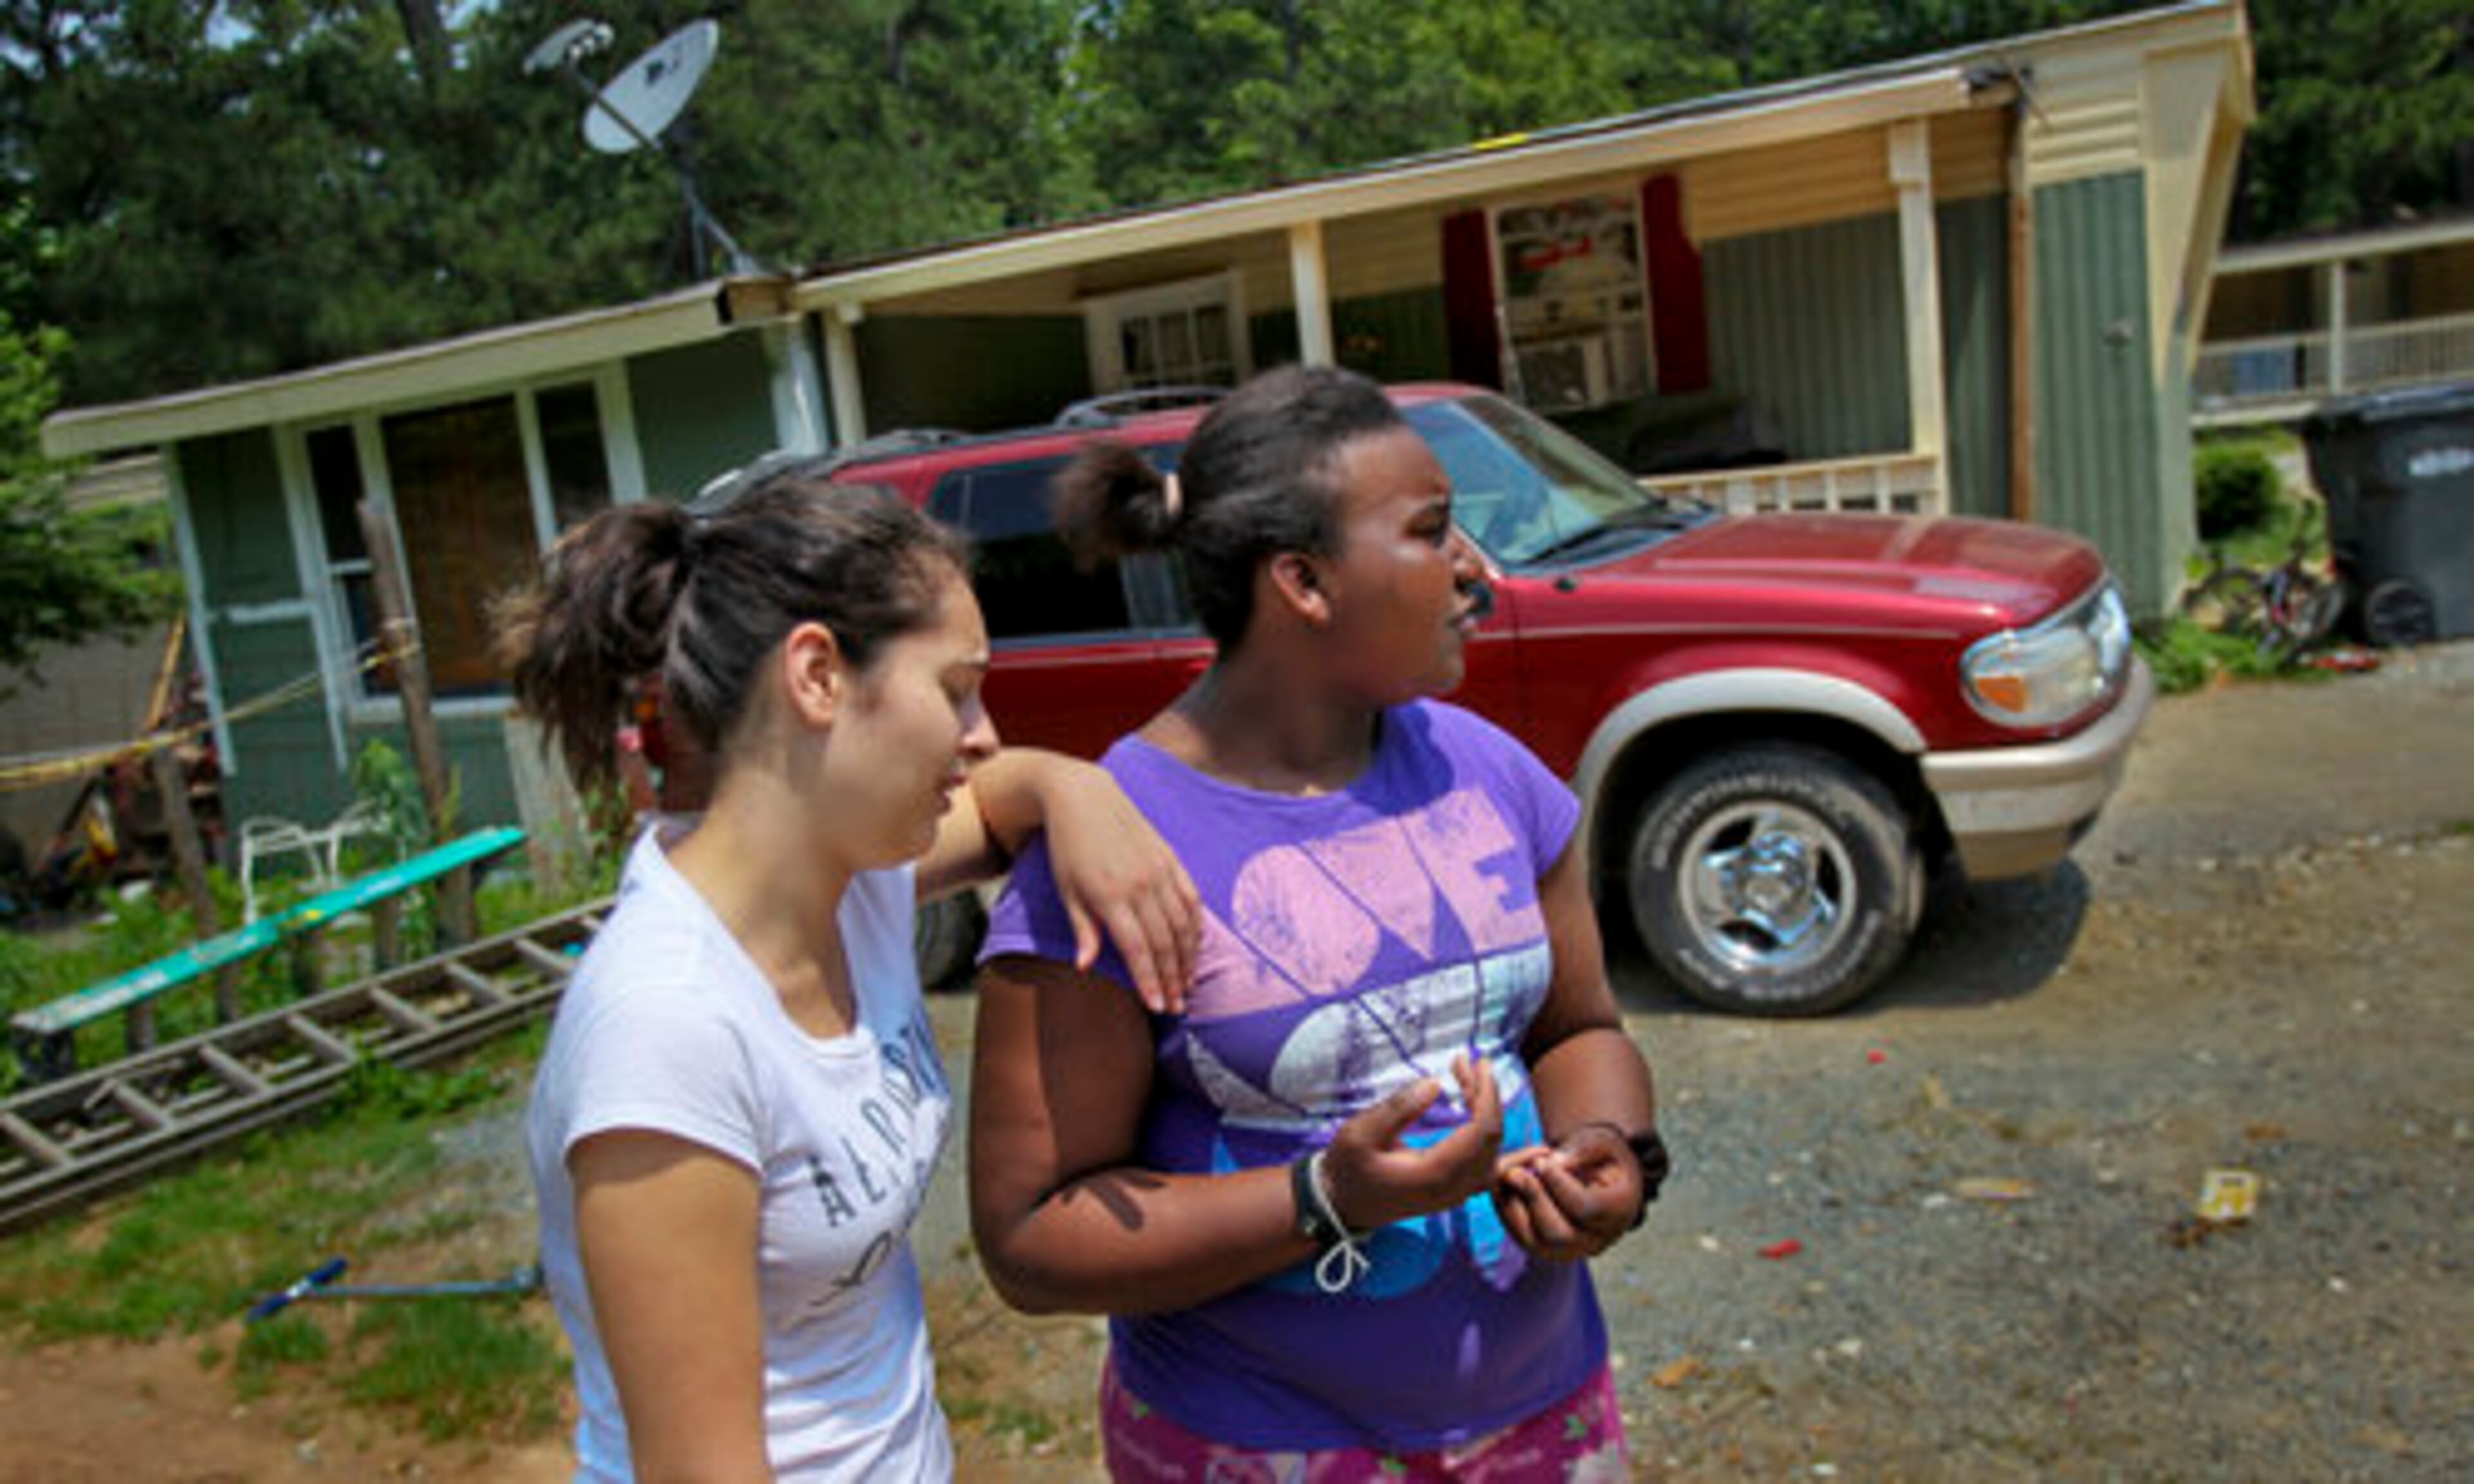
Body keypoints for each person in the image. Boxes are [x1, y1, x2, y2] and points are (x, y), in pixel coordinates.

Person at [969, 365, 1667, 1480]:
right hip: (1258, 1443)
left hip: (1544, 1414)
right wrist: (1324, 1198)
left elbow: (1580, 1029)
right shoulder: (1116, 852)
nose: (1473, 570)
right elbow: (1033, 1241)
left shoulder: (1491, 771)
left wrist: (1611, 1155)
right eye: (1432, 533)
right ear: (1302, 580)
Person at [499, 468, 1200, 1481]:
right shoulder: (665, 1032)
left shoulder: (847, 880)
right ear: (819, 676)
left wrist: (1072, 786)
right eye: (955, 689)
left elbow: (1004, 795)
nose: (984, 732)